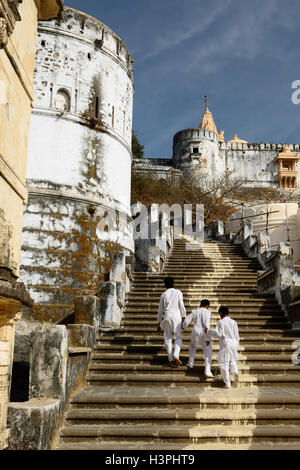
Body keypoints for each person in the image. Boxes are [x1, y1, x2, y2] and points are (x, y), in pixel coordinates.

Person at [206, 306, 239, 389]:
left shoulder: (221, 322)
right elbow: (237, 336)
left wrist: (209, 331)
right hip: (234, 343)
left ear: (221, 313)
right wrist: (236, 345)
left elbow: (218, 334)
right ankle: (235, 372)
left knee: (224, 363)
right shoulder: (234, 322)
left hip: (226, 343)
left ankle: (227, 384)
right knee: (232, 360)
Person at [157, 276, 186, 367]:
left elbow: (160, 309)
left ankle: (171, 360)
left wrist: (158, 322)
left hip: (167, 316)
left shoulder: (163, 294)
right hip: (177, 316)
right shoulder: (178, 292)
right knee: (178, 338)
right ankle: (176, 354)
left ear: (165, 285)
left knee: (168, 339)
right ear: (173, 283)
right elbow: (181, 305)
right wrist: (184, 316)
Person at [182, 299, 214, 378]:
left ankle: (191, 363)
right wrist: (207, 338)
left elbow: (186, 321)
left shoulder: (195, 311)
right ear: (207, 306)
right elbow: (207, 326)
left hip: (195, 331)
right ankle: (207, 370)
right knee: (208, 351)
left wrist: (183, 327)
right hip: (204, 332)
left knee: (192, 346)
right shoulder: (207, 312)